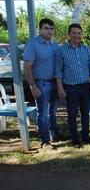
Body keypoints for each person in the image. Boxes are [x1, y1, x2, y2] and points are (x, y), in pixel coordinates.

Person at [55, 23, 90, 148]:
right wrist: (60, 88)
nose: (76, 35)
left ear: (81, 34)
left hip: (85, 86)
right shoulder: (62, 50)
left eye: (79, 33)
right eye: (74, 33)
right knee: (72, 114)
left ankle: (85, 136)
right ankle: (75, 139)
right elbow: (58, 71)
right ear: (69, 34)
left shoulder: (86, 49)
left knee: (85, 113)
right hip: (70, 88)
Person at [23, 18, 60, 149]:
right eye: (46, 28)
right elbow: (27, 66)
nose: (49, 31)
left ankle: (54, 134)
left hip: (55, 83)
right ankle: (45, 141)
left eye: (51, 28)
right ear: (40, 29)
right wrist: (33, 86)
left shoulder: (55, 45)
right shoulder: (33, 44)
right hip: (41, 84)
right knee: (42, 113)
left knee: (53, 112)